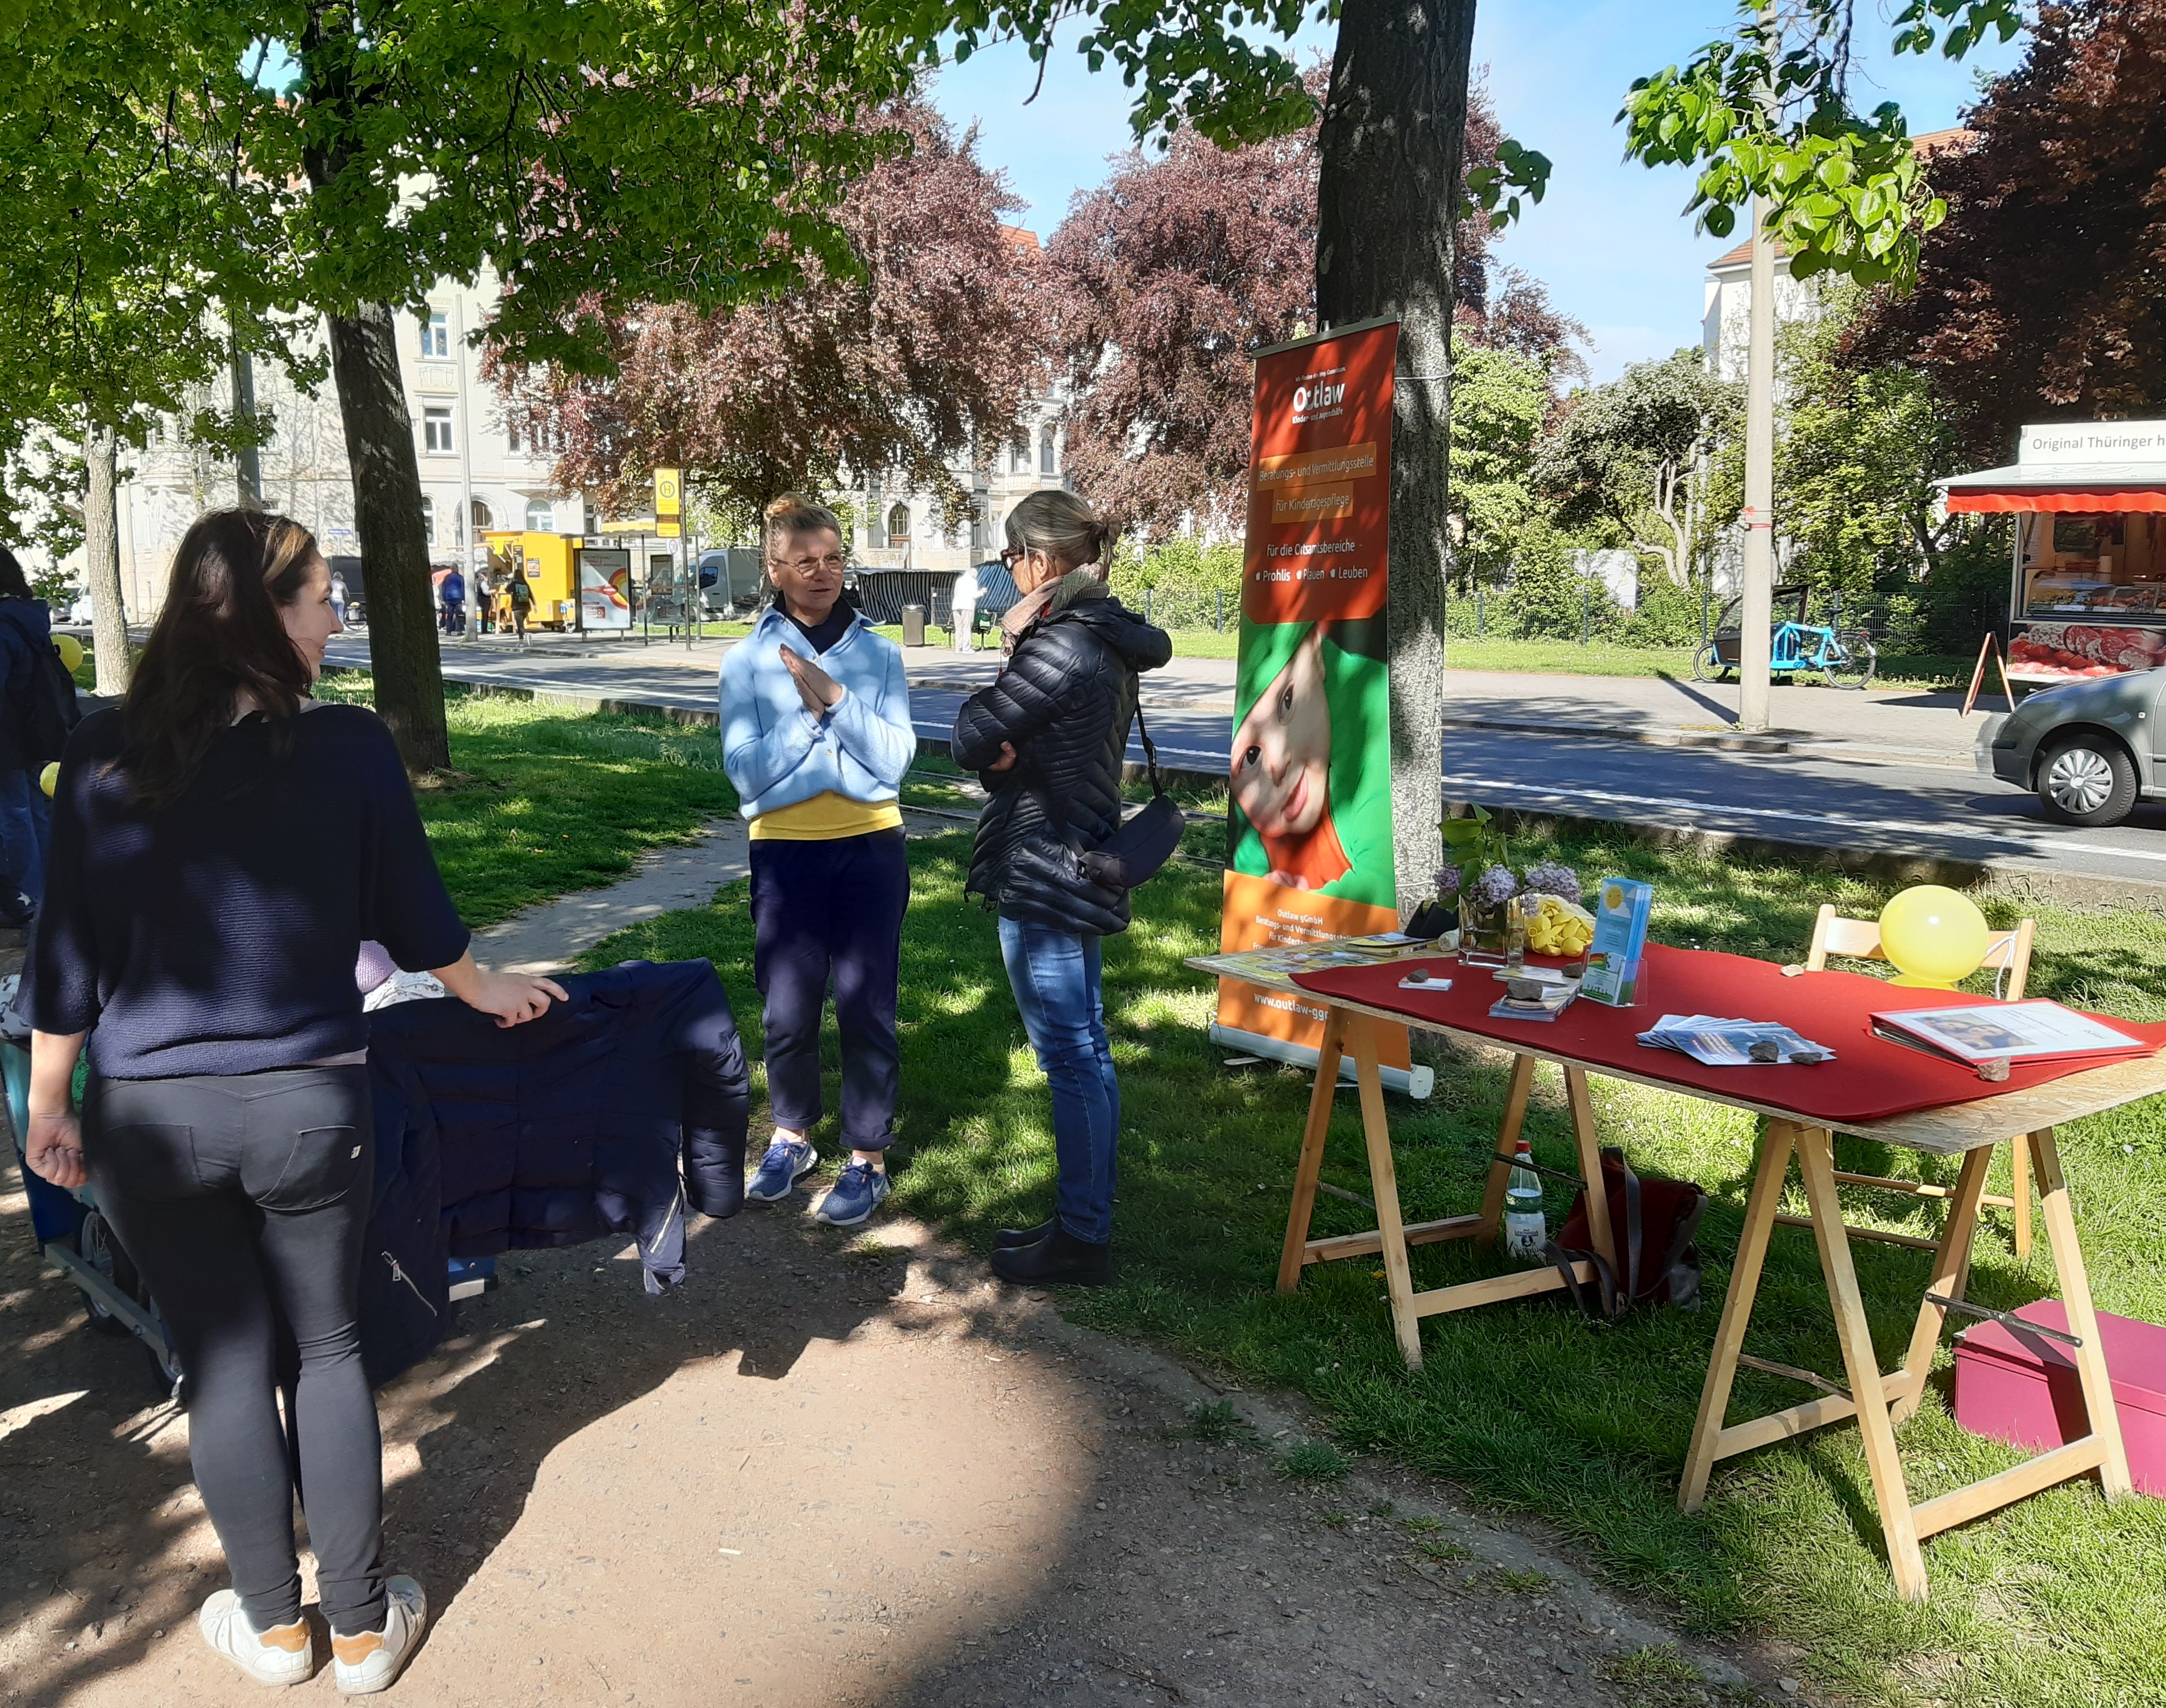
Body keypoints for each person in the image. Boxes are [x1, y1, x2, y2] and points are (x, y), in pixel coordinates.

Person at [19, 509, 565, 1695]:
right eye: (319, 595)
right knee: (325, 1346)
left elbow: (65, 956)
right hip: (310, 1105)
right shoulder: (352, 747)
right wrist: (487, 989)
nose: (335, 616)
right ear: (261, 614)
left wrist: (45, 1105)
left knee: (222, 1362)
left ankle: (275, 1629)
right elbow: (420, 918)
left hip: (151, 1115)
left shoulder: (101, 753)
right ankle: (363, 1632)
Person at [950, 490, 1170, 1286]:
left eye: (1011, 558)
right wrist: (1008, 748)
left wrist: (1011, 648)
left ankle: (1082, 1236)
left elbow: (970, 736)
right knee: (1088, 1049)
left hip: (1045, 868)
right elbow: (1008, 746)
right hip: (1081, 854)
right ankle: (1084, 1220)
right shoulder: (1106, 636)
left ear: (1039, 560)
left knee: (1071, 1056)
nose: (1007, 572)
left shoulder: (1056, 646)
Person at [720, 496, 915, 1228]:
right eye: (805, 561)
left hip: (871, 845)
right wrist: (814, 728)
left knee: (869, 1006)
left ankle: (868, 1159)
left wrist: (833, 697)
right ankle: (793, 1136)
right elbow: (745, 775)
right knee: (788, 1009)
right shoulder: (745, 660)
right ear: (774, 569)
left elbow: (895, 763)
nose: (822, 572)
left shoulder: (881, 652)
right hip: (785, 851)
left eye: (834, 558)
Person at [1225, 616, 1393, 907]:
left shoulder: (1371, 717)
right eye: (1251, 756)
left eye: (1287, 701)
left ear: (1317, 652)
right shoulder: (1260, 829)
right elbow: (1249, 880)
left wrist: (1294, 906)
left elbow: (1383, 887)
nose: (1278, 762)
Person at [0, 545, 62, 925]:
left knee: (14, 816)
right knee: (33, 813)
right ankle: (47, 895)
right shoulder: (28, 618)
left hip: (6, 738)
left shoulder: (3, 625)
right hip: (31, 731)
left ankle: (29, 902)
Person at [507, 564, 534, 644]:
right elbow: (531, 595)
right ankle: (521, 642)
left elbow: (507, 590)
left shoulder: (514, 584)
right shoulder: (525, 584)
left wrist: (511, 581)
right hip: (526, 608)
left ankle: (526, 634)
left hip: (517, 607)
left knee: (520, 625)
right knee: (521, 624)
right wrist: (534, 605)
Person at [438, 564, 466, 637]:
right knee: (459, 615)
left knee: (449, 615)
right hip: (458, 598)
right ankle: (459, 630)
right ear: (456, 569)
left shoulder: (447, 578)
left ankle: (449, 631)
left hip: (449, 598)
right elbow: (462, 588)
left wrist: (444, 598)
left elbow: (443, 589)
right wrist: (464, 598)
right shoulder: (460, 578)